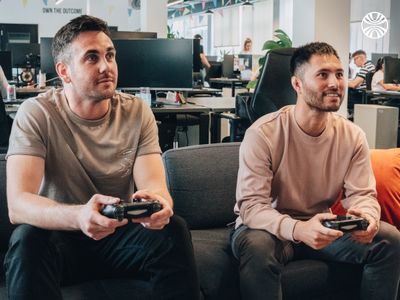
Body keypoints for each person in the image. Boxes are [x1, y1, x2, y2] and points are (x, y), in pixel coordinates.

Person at [4, 15, 199, 300]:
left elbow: (156, 185)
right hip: (62, 238)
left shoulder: (137, 112)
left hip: (117, 236)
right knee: (26, 240)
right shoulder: (37, 113)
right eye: (91, 58)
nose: (106, 67)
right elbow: (18, 205)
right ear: (65, 71)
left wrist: (160, 206)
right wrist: (78, 215)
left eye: (110, 55)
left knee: (173, 230)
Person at [230, 42, 400, 300]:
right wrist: (298, 229)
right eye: (323, 74)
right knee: (257, 246)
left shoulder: (352, 136)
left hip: (322, 226)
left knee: (389, 239)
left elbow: (363, 194)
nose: (335, 83)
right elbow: (252, 207)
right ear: (297, 85)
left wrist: (367, 217)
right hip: (268, 229)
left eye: (340, 74)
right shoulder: (263, 134)